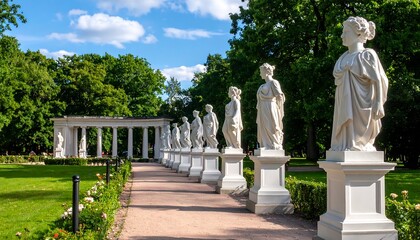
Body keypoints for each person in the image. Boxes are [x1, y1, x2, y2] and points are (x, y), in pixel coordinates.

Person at [330, 16, 388, 151]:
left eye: (346, 32)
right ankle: (344, 144)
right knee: (346, 134)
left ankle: (358, 144)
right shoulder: (342, 58)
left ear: (358, 33)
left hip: (362, 105)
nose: (342, 35)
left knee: (357, 136)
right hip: (343, 104)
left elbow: (378, 79)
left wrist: (379, 103)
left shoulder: (367, 55)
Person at [256, 63, 285, 150]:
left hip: (270, 107)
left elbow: (280, 96)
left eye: (261, 71)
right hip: (262, 108)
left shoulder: (273, 82)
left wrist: (278, 108)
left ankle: (274, 144)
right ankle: (265, 144)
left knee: (271, 125)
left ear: (267, 72)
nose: (260, 74)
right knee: (263, 126)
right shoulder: (262, 85)